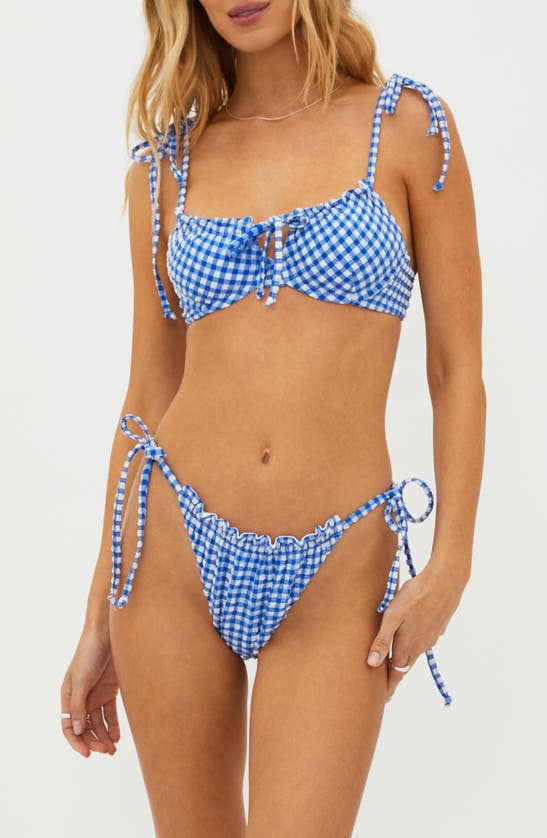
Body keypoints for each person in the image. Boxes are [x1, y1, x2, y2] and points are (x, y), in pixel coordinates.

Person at [60, 1, 485, 835]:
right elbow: (146, 397)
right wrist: (97, 618)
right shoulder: (164, 172)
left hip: (339, 565)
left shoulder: (406, 127)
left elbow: (456, 369)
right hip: (169, 559)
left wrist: (451, 565)